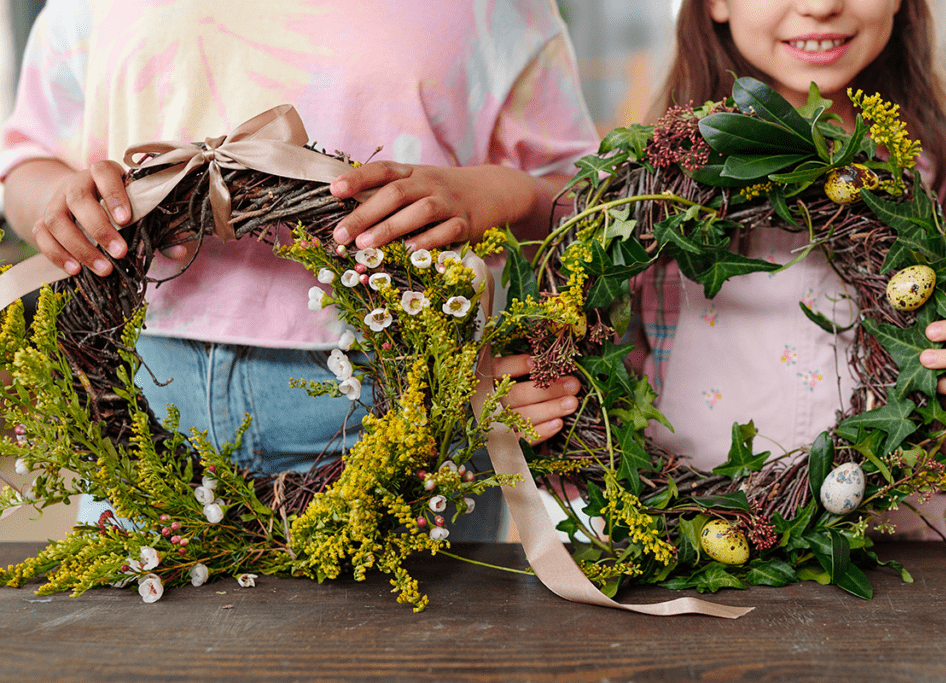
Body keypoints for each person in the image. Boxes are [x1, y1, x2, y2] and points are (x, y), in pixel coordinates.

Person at [0, 0, 597, 538]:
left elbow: (581, 194)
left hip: (396, 400)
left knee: (402, 653)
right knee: (138, 653)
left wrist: (491, 192)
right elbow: (26, 158)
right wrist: (59, 199)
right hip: (137, 387)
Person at [510, 0, 946, 539]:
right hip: (676, 560)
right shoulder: (647, 205)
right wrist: (550, 414)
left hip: (886, 574)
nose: (820, 6)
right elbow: (593, 423)